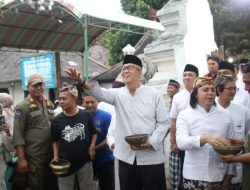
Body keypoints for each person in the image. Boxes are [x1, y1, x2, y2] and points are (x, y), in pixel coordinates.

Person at [66, 53, 169, 190]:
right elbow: (98, 93)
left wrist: (151, 142)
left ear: (139, 71)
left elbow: (163, 123)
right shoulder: (118, 94)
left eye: (130, 68)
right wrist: (82, 81)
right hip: (126, 157)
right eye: (123, 68)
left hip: (151, 157)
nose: (125, 71)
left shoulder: (154, 94)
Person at [176, 77, 235, 190]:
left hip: (220, 176)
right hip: (194, 176)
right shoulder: (185, 115)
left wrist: (229, 176)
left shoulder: (225, 115)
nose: (210, 93)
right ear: (195, 94)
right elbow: (181, 142)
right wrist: (205, 138)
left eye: (213, 90)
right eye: (205, 89)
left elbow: (232, 147)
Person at [13, 74, 57, 190]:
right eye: (35, 85)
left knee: (51, 184)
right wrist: (21, 159)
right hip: (34, 156)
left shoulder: (49, 104)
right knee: (36, 185)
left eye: (41, 84)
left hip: (51, 153)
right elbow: (18, 134)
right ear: (28, 87)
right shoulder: (22, 107)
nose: (39, 88)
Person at [51, 84, 97, 190]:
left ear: (74, 98)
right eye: (60, 98)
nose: (61, 101)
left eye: (64, 98)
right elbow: (55, 140)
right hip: (65, 164)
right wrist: (56, 156)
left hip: (84, 161)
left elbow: (94, 133)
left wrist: (92, 146)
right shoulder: (56, 120)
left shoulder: (86, 115)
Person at [215, 75, 250, 189]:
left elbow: (247, 138)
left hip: (237, 170)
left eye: (235, 88)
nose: (233, 91)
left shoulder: (242, 111)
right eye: (229, 88)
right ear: (219, 90)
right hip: (213, 168)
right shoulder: (210, 109)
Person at [169, 64, 199, 190]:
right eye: (184, 75)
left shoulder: (202, 93)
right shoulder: (177, 97)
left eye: (190, 75)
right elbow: (173, 120)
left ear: (196, 77)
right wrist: (173, 141)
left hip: (199, 138)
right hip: (183, 140)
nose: (187, 77)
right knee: (185, 169)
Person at [83, 94, 114, 190]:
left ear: (98, 102)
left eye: (92, 102)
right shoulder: (80, 116)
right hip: (86, 160)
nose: (90, 104)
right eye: (87, 102)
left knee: (106, 186)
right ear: (82, 103)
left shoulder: (106, 116)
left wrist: (94, 149)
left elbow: (110, 137)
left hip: (105, 159)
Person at [164, 79, 180, 189]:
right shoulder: (169, 103)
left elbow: (172, 123)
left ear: (177, 90)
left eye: (171, 87)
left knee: (178, 167)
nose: (169, 89)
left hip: (178, 138)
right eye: (168, 87)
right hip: (171, 138)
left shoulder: (178, 102)